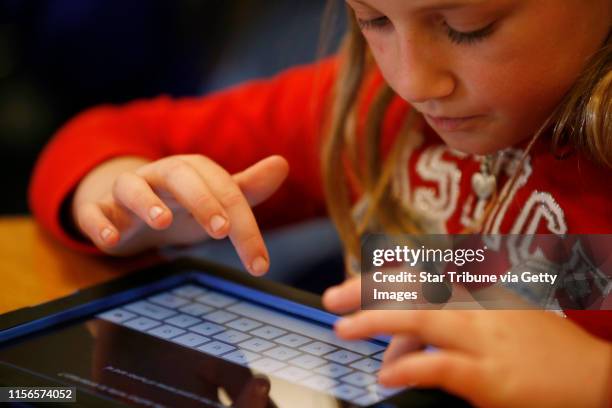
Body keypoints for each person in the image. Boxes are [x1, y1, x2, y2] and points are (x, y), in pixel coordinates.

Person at [29, 0, 611, 406]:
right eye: (373, 19)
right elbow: (101, 137)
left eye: (469, 26)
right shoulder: (371, 107)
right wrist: (128, 199)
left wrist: (596, 382)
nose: (412, 81)